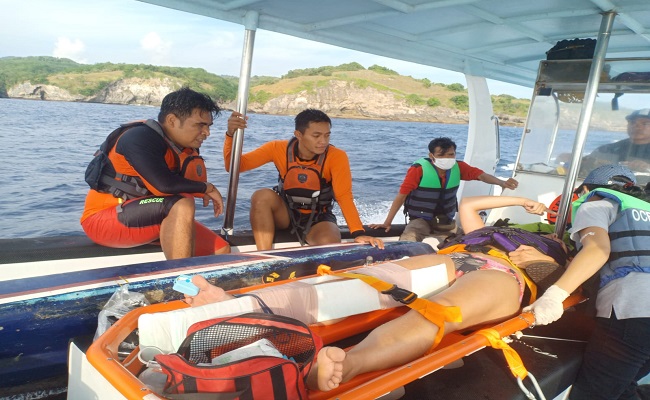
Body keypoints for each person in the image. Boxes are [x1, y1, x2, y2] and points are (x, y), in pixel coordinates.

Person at [185, 193, 569, 392]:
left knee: (437, 312)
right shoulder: (490, 229)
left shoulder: (562, 250)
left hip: (505, 275)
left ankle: (344, 365)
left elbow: (568, 282)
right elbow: (471, 204)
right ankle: (243, 304)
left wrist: (546, 258)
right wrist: (520, 201)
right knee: (368, 281)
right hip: (459, 257)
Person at [523, 164, 650, 400]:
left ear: (583, 190)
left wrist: (554, 296)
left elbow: (598, 250)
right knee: (623, 385)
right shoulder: (644, 208)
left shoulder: (596, 203)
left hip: (635, 311)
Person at [80, 87, 230, 259]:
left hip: (148, 216)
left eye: (208, 126)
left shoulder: (178, 146)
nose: (207, 133)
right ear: (172, 120)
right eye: (199, 125)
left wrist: (200, 189)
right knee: (182, 204)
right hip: (104, 220)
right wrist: (206, 188)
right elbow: (164, 185)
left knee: (220, 250)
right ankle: (181, 278)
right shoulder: (138, 137)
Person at [223, 109, 384, 250]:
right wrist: (230, 135)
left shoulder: (337, 156)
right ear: (298, 135)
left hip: (318, 218)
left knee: (330, 243)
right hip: (286, 214)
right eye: (316, 136)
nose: (323, 141)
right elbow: (234, 166)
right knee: (261, 196)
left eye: (327, 135)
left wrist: (358, 232)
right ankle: (264, 257)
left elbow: (344, 196)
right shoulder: (277, 148)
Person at [369, 137, 519, 241]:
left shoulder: (458, 167)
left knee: (469, 239)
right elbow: (401, 196)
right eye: (442, 155)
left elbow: (481, 176)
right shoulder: (418, 170)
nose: (447, 158)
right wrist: (387, 222)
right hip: (421, 219)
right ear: (431, 155)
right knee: (410, 238)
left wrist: (501, 183)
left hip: (446, 221)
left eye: (451, 154)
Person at [580, 109, 650, 183]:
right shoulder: (608, 150)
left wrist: (647, 167)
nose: (637, 127)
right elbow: (586, 169)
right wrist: (594, 162)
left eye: (645, 124)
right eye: (632, 123)